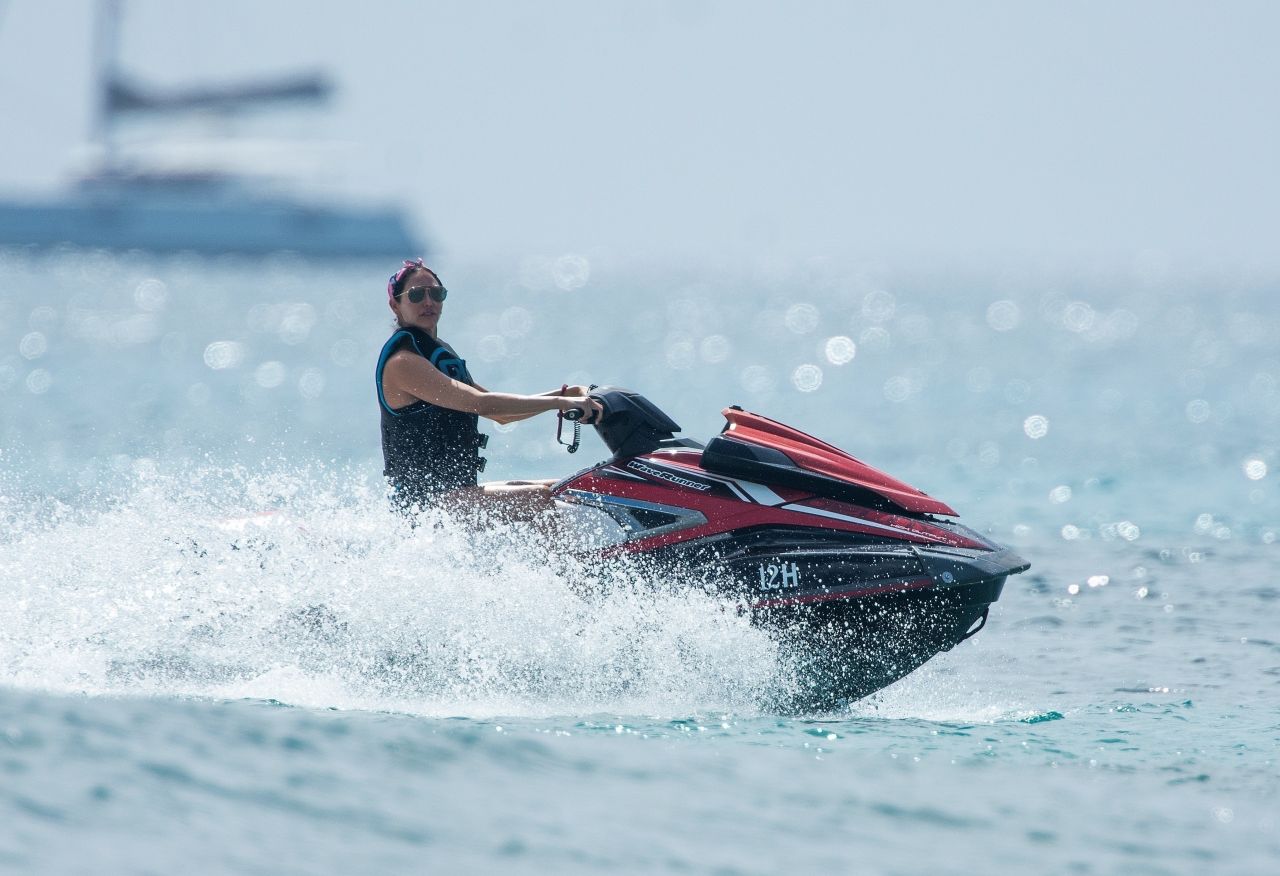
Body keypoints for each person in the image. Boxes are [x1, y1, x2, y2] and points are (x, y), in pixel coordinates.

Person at [376, 258, 603, 520]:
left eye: (436, 293)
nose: (428, 302)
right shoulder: (403, 362)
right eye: (416, 295)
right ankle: (570, 562)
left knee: (569, 488)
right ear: (395, 304)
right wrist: (562, 403)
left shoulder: (435, 356)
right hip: (424, 506)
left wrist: (566, 394)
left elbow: (501, 414)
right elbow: (482, 404)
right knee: (540, 500)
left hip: (458, 496)